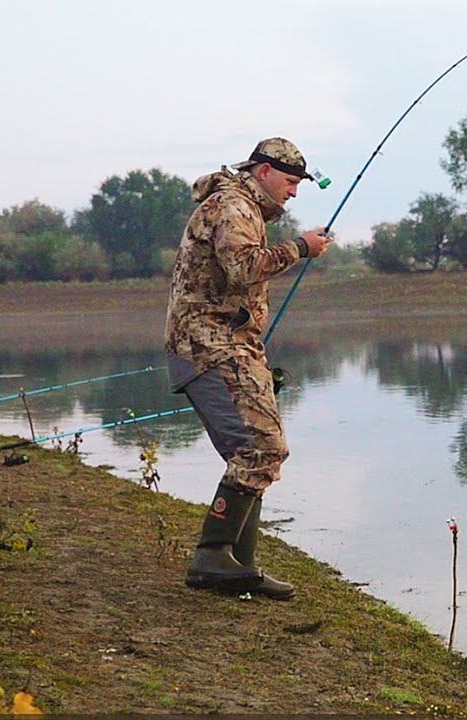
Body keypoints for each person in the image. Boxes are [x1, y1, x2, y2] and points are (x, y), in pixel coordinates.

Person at [164, 137, 331, 600]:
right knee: (261, 447)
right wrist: (301, 247)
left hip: (231, 344)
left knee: (252, 449)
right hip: (208, 345)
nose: (294, 192)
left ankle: (240, 564)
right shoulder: (233, 206)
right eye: (291, 182)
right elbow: (242, 267)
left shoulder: (246, 208)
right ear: (263, 172)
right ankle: (212, 556)